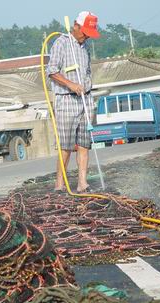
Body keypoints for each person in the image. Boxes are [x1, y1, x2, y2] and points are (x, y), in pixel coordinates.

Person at [47, 11, 100, 193]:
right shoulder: (61, 43)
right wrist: (71, 84)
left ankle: (82, 182)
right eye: (84, 32)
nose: (86, 37)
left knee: (84, 143)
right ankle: (60, 184)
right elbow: (52, 71)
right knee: (66, 145)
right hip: (66, 99)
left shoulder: (85, 47)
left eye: (89, 34)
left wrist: (85, 85)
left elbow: (87, 72)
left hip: (85, 98)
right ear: (76, 27)